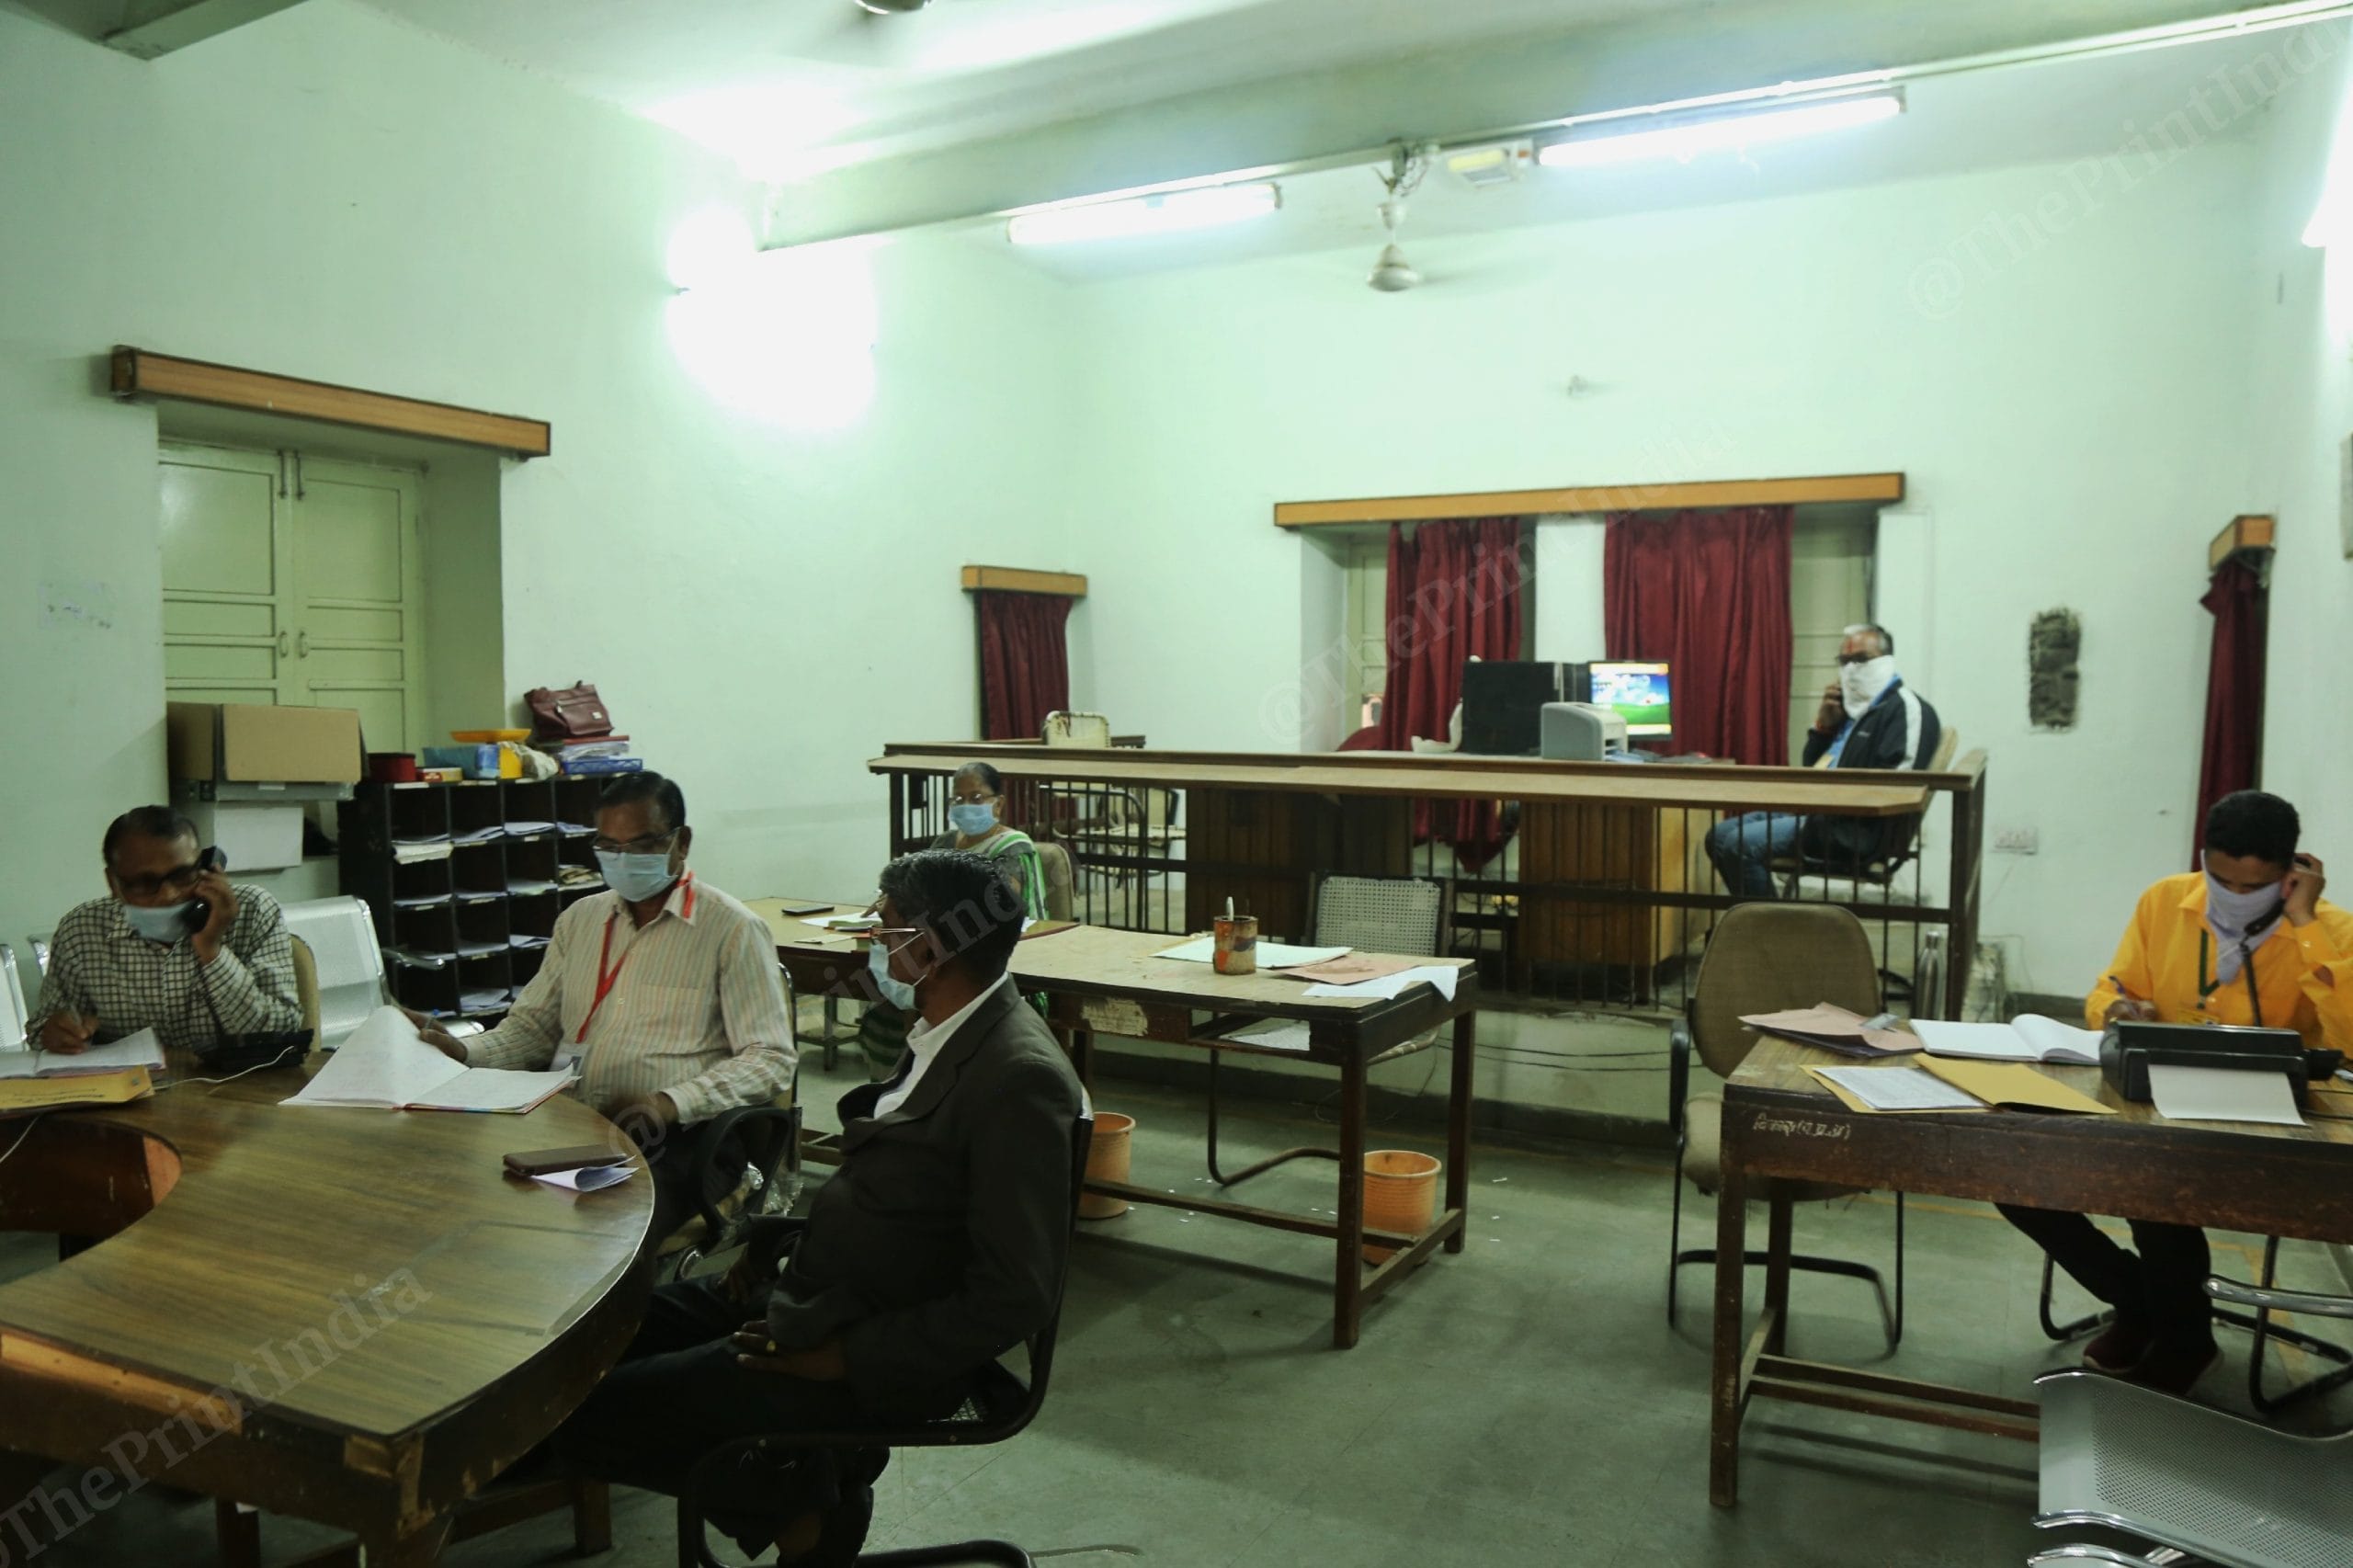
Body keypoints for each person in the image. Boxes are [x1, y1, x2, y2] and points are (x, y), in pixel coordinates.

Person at [539, 847, 1086, 1564]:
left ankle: (798, 1501)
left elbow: (1016, 1295)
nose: (873, 943)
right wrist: (774, 1239)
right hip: (811, 1291)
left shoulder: (1017, 1080)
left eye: (885, 929)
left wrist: (848, 1359)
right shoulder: (950, 1031)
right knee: (596, 1334)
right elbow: (903, 1194)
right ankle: (808, 1486)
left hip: (867, 1342)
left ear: (932, 946)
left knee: (573, 1414)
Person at [1999, 790, 2352, 1393]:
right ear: (2204, 858)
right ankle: (2143, 1305)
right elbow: (2109, 988)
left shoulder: (2328, 931)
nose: (2236, 899)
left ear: (2294, 874)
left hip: (2268, 1124)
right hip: (2154, 1101)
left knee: (2158, 1188)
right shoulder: (2164, 901)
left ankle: (2184, 1339)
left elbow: (2348, 1039)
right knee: (2013, 1171)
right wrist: (2116, 1006)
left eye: (2256, 888)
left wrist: (2302, 926)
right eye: (2223, 882)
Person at [415, 773, 794, 1238]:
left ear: (682, 842)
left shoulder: (731, 930)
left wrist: (669, 1103)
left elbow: (770, 1059)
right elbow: (532, 1028)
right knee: (477, 1198)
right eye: (608, 847)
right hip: (573, 1121)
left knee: (603, 1227)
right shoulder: (581, 920)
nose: (623, 860)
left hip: (677, 1137)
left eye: (642, 844)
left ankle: (626, 1312)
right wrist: (464, 1051)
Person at [30, 806, 301, 1054]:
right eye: (145, 883)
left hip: (241, 1096)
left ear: (207, 867)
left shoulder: (253, 910)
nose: (169, 895)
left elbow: (282, 1034)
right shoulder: (81, 932)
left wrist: (212, 951)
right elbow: (42, 1028)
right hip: (134, 1095)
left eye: (183, 876)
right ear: (113, 883)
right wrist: (55, 1034)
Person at [1704, 623, 1942, 900]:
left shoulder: (1906, 710)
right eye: (1844, 661)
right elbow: (1813, 769)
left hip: (1856, 831)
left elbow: (1898, 785)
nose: (1851, 669)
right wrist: (1824, 728)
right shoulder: (1853, 710)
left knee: (1740, 844)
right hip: (1818, 817)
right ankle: (1764, 921)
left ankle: (1770, 930)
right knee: (1718, 836)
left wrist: (1832, 806)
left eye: (1862, 659)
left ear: (1887, 660)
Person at [857, 761, 1051, 1079]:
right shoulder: (947, 842)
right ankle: (897, 1084)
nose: (966, 807)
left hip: (985, 954)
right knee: (887, 1000)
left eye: (976, 798)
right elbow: (915, 887)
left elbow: (995, 906)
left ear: (998, 803)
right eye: (958, 800)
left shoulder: (1013, 847)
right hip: (940, 944)